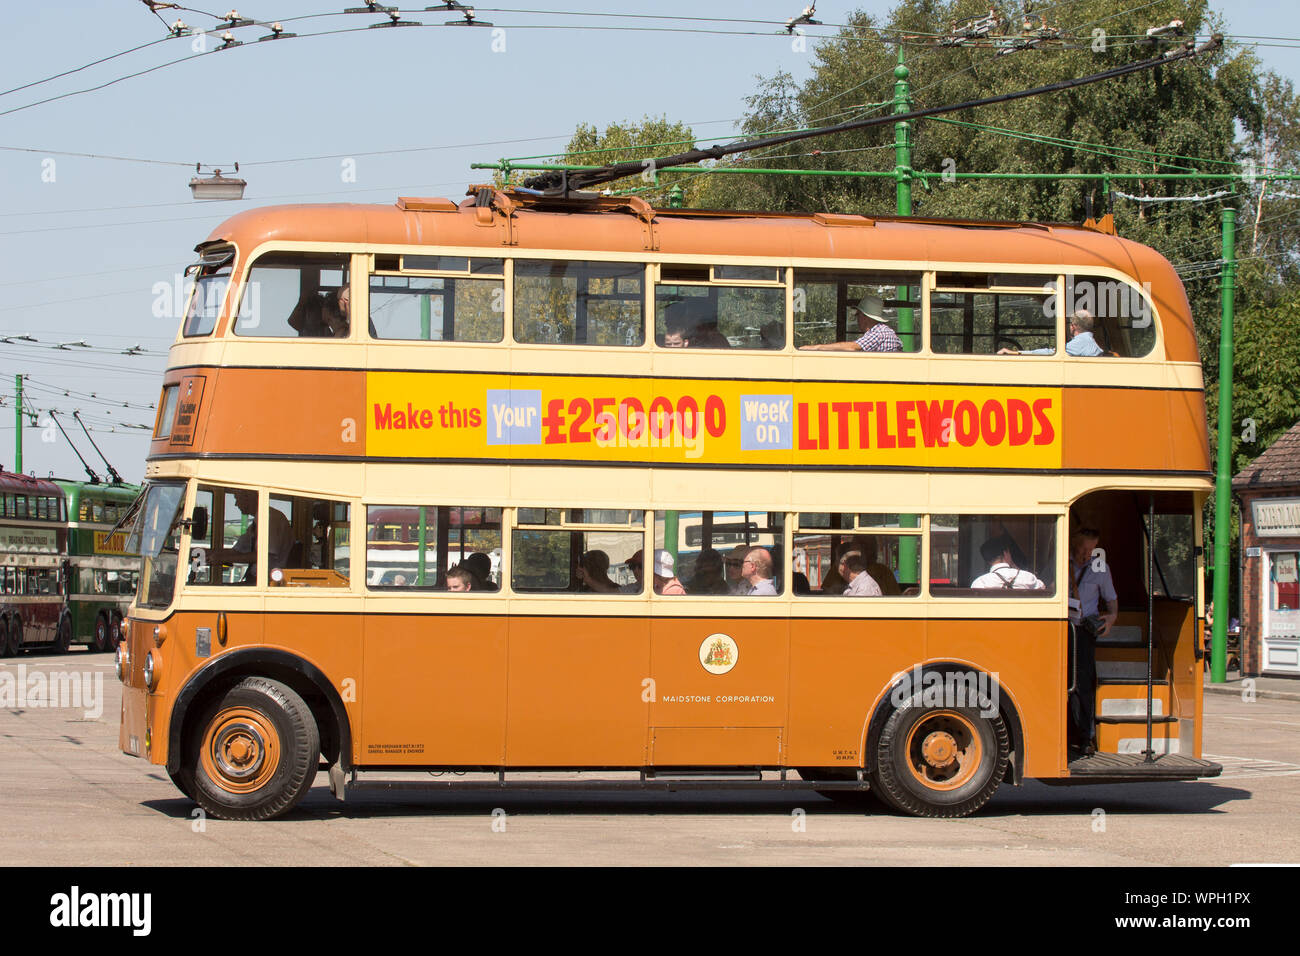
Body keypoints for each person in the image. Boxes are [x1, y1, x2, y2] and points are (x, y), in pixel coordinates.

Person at [225, 488, 295, 578]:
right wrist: (207, 554)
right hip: (257, 578)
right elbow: (236, 551)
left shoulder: (270, 518)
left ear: (248, 497)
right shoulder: (256, 523)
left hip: (269, 580)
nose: (236, 504)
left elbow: (263, 556)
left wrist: (224, 559)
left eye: (237, 498)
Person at [799, 294, 902, 352]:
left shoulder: (879, 332)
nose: (857, 319)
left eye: (857, 315)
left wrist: (817, 347)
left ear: (864, 317)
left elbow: (853, 347)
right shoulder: (884, 331)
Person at [999, 309, 1104, 357]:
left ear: (1074, 326)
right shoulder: (1087, 341)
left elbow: (1051, 353)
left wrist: (1017, 353)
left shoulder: (1080, 343)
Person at [971, 535, 1046, 590]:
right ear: (1005, 553)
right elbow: (1042, 588)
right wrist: (1014, 566)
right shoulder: (1028, 577)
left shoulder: (980, 582)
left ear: (987, 560)